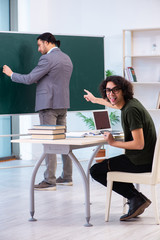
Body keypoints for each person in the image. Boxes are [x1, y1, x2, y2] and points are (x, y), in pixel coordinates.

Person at [3, 32, 73, 191]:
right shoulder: (66, 58)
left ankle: (49, 181)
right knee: (62, 142)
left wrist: (11, 74)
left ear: (48, 42)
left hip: (48, 105)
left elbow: (29, 79)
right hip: (63, 104)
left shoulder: (47, 58)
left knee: (49, 144)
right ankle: (67, 177)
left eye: (39, 45)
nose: (38, 49)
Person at [84, 75, 156, 221]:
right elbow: (113, 104)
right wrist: (95, 100)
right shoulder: (130, 104)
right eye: (108, 90)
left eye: (115, 90)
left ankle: (135, 198)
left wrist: (112, 142)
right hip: (145, 158)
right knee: (106, 166)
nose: (111, 94)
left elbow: (138, 144)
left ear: (123, 91)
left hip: (141, 161)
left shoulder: (131, 110)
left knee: (96, 170)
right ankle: (136, 198)